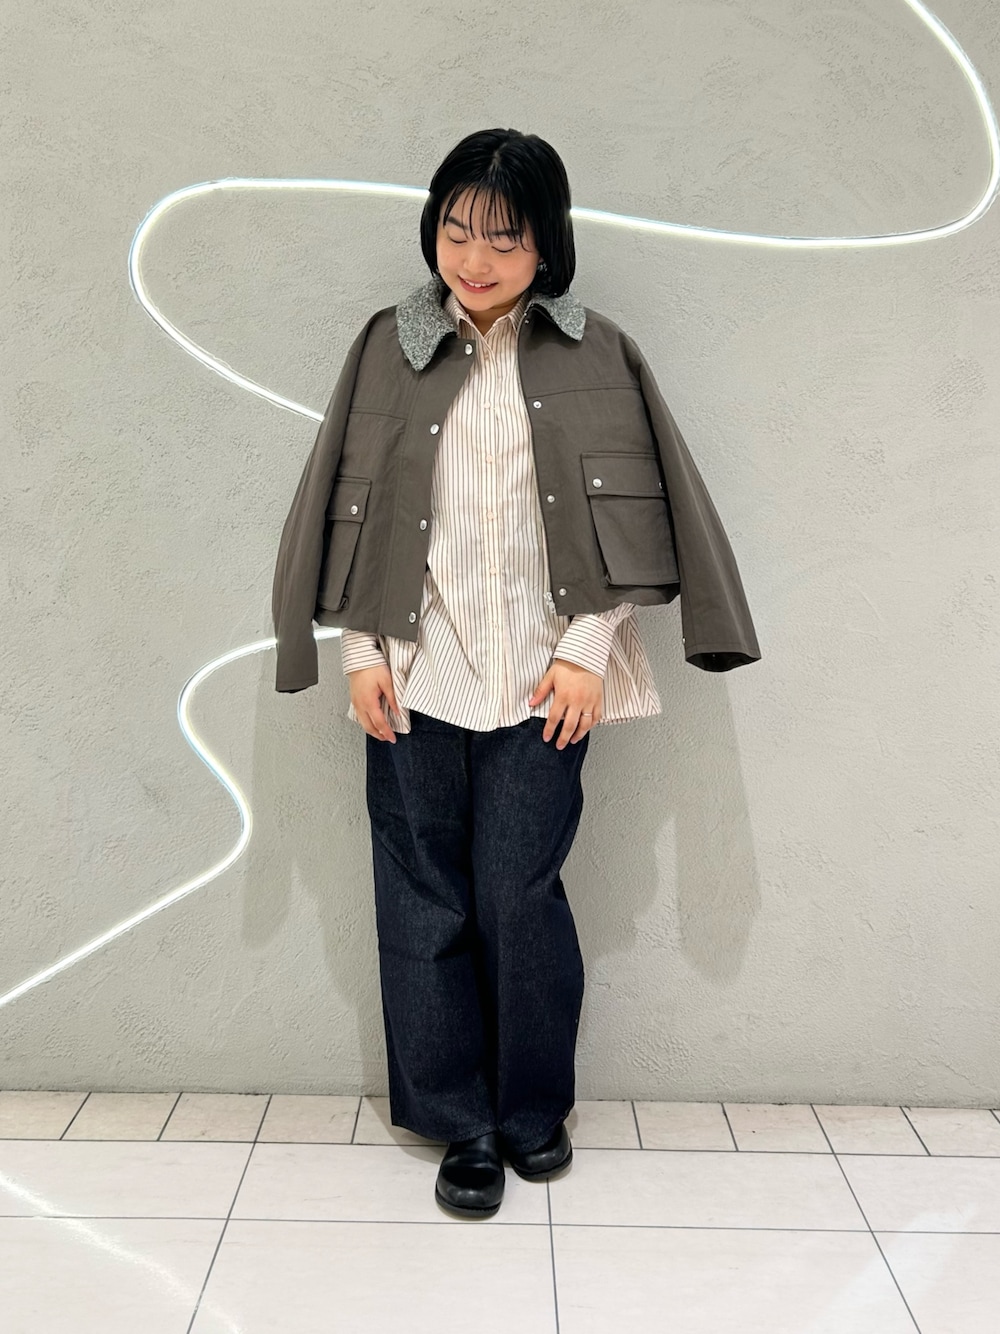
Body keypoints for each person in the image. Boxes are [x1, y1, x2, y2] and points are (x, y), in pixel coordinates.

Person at [271, 127, 761, 1219]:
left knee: (519, 894)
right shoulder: (387, 345)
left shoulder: (598, 352)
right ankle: (464, 1125)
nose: (475, 257)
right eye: (456, 230)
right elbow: (348, 503)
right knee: (422, 898)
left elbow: (633, 515)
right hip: (413, 672)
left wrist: (587, 653)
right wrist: (359, 649)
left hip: (547, 680)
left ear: (547, 243)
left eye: (503, 235)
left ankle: (534, 1106)